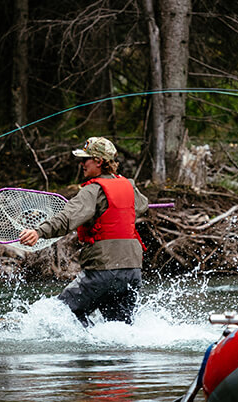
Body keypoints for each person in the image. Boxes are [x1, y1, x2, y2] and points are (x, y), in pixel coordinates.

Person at [19, 136, 150, 325]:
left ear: (99, 161)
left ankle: (84, 344)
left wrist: (39, 232)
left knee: (59, 315)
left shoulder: (92, 190)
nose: (81, 163)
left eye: (85, 159)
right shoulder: (128, 185)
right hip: (132, 271)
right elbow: (142, 205)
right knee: (120, 330)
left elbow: (67, 218)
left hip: (103, 272)